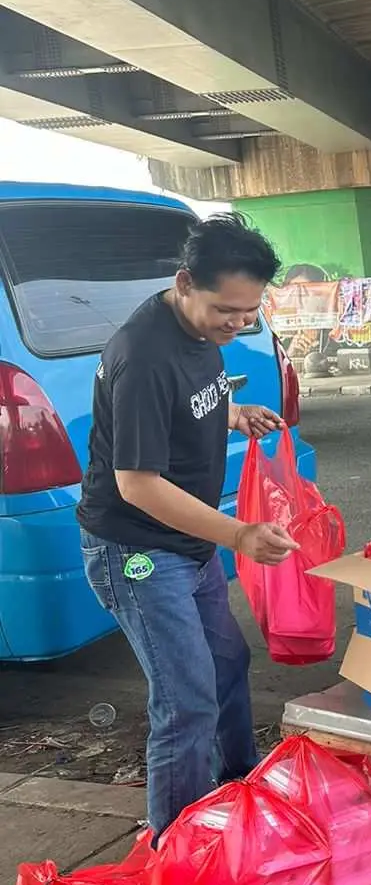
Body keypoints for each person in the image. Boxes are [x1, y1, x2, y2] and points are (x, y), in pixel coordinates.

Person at [76, 214, 298, 838]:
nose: (239, 323)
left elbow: (189, 399)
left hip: (187, 545)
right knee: (187, 698)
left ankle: (237, 790)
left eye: (250, 312)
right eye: (228, 309)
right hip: (138, 551)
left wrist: (233, 412)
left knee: (228, 662)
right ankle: (177, 843)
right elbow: (137, 484)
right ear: (184, 283)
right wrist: (239, 535)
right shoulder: (143, 354)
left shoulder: (197, 330)